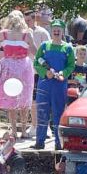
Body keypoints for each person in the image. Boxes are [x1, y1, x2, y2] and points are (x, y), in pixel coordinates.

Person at [0, 10, 34, 137]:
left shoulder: (3, 34)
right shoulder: (27, 34)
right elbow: (35, 51)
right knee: (24, 98)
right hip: (24, 66)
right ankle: (23, 130)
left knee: (11, 98)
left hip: (8, 66)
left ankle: (14, 131)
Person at [33, 20, 75, 150]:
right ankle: (39, 142)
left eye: (59, 29)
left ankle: (58, 143)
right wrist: (45, 72)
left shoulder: (67, 48)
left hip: (59, 85)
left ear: (62, 31)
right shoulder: (44, 46)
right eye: (54, 29)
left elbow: (71, 65)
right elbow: (36, 63)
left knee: (58, 114)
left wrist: (63, 73)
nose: (56, 31)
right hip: (44, 84)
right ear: (51, 31)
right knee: (42, 113)